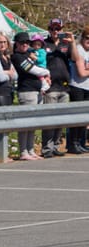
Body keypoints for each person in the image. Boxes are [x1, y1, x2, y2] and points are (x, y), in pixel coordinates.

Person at [11, 32, 50, 160]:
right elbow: (33, 69)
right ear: (16, 43)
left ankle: (31, 149)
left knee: (33, 123)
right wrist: (47, 72)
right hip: (26, 92)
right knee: (25, 123)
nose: (25, 45)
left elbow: (38, 65)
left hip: (37, 91)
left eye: (27, 42)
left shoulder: (28, 54)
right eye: (22, 42)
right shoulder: (17, 57)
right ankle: (23, 151)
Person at [41, 18, 76, 158]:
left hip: (64, 86)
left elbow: (74, 58)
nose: (55, 31)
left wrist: (72, 42)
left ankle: (55, 145)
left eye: (58, 29)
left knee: (61, 120)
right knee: (49, 120)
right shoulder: (44, 44)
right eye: (53, 29)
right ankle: (47, 148)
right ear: (49, 29)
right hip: (51, 87)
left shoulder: (65, 44)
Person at [67, 24, 89, 154]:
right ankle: (72, 143)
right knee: (77, 117)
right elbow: (81, 72)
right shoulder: (79, 50)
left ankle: (80, 142)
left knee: (85, 118)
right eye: (87, 37)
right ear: (82, 37)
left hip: (87, 88)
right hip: (77, 87)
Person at [0, 31, 17, 107]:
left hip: (9, 92)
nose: (3, 44)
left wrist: (4, 72)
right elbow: (0, 78)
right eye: (0, 42)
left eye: (5, 42)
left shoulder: (7, 56)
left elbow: (16, 76)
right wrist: (8, 72)